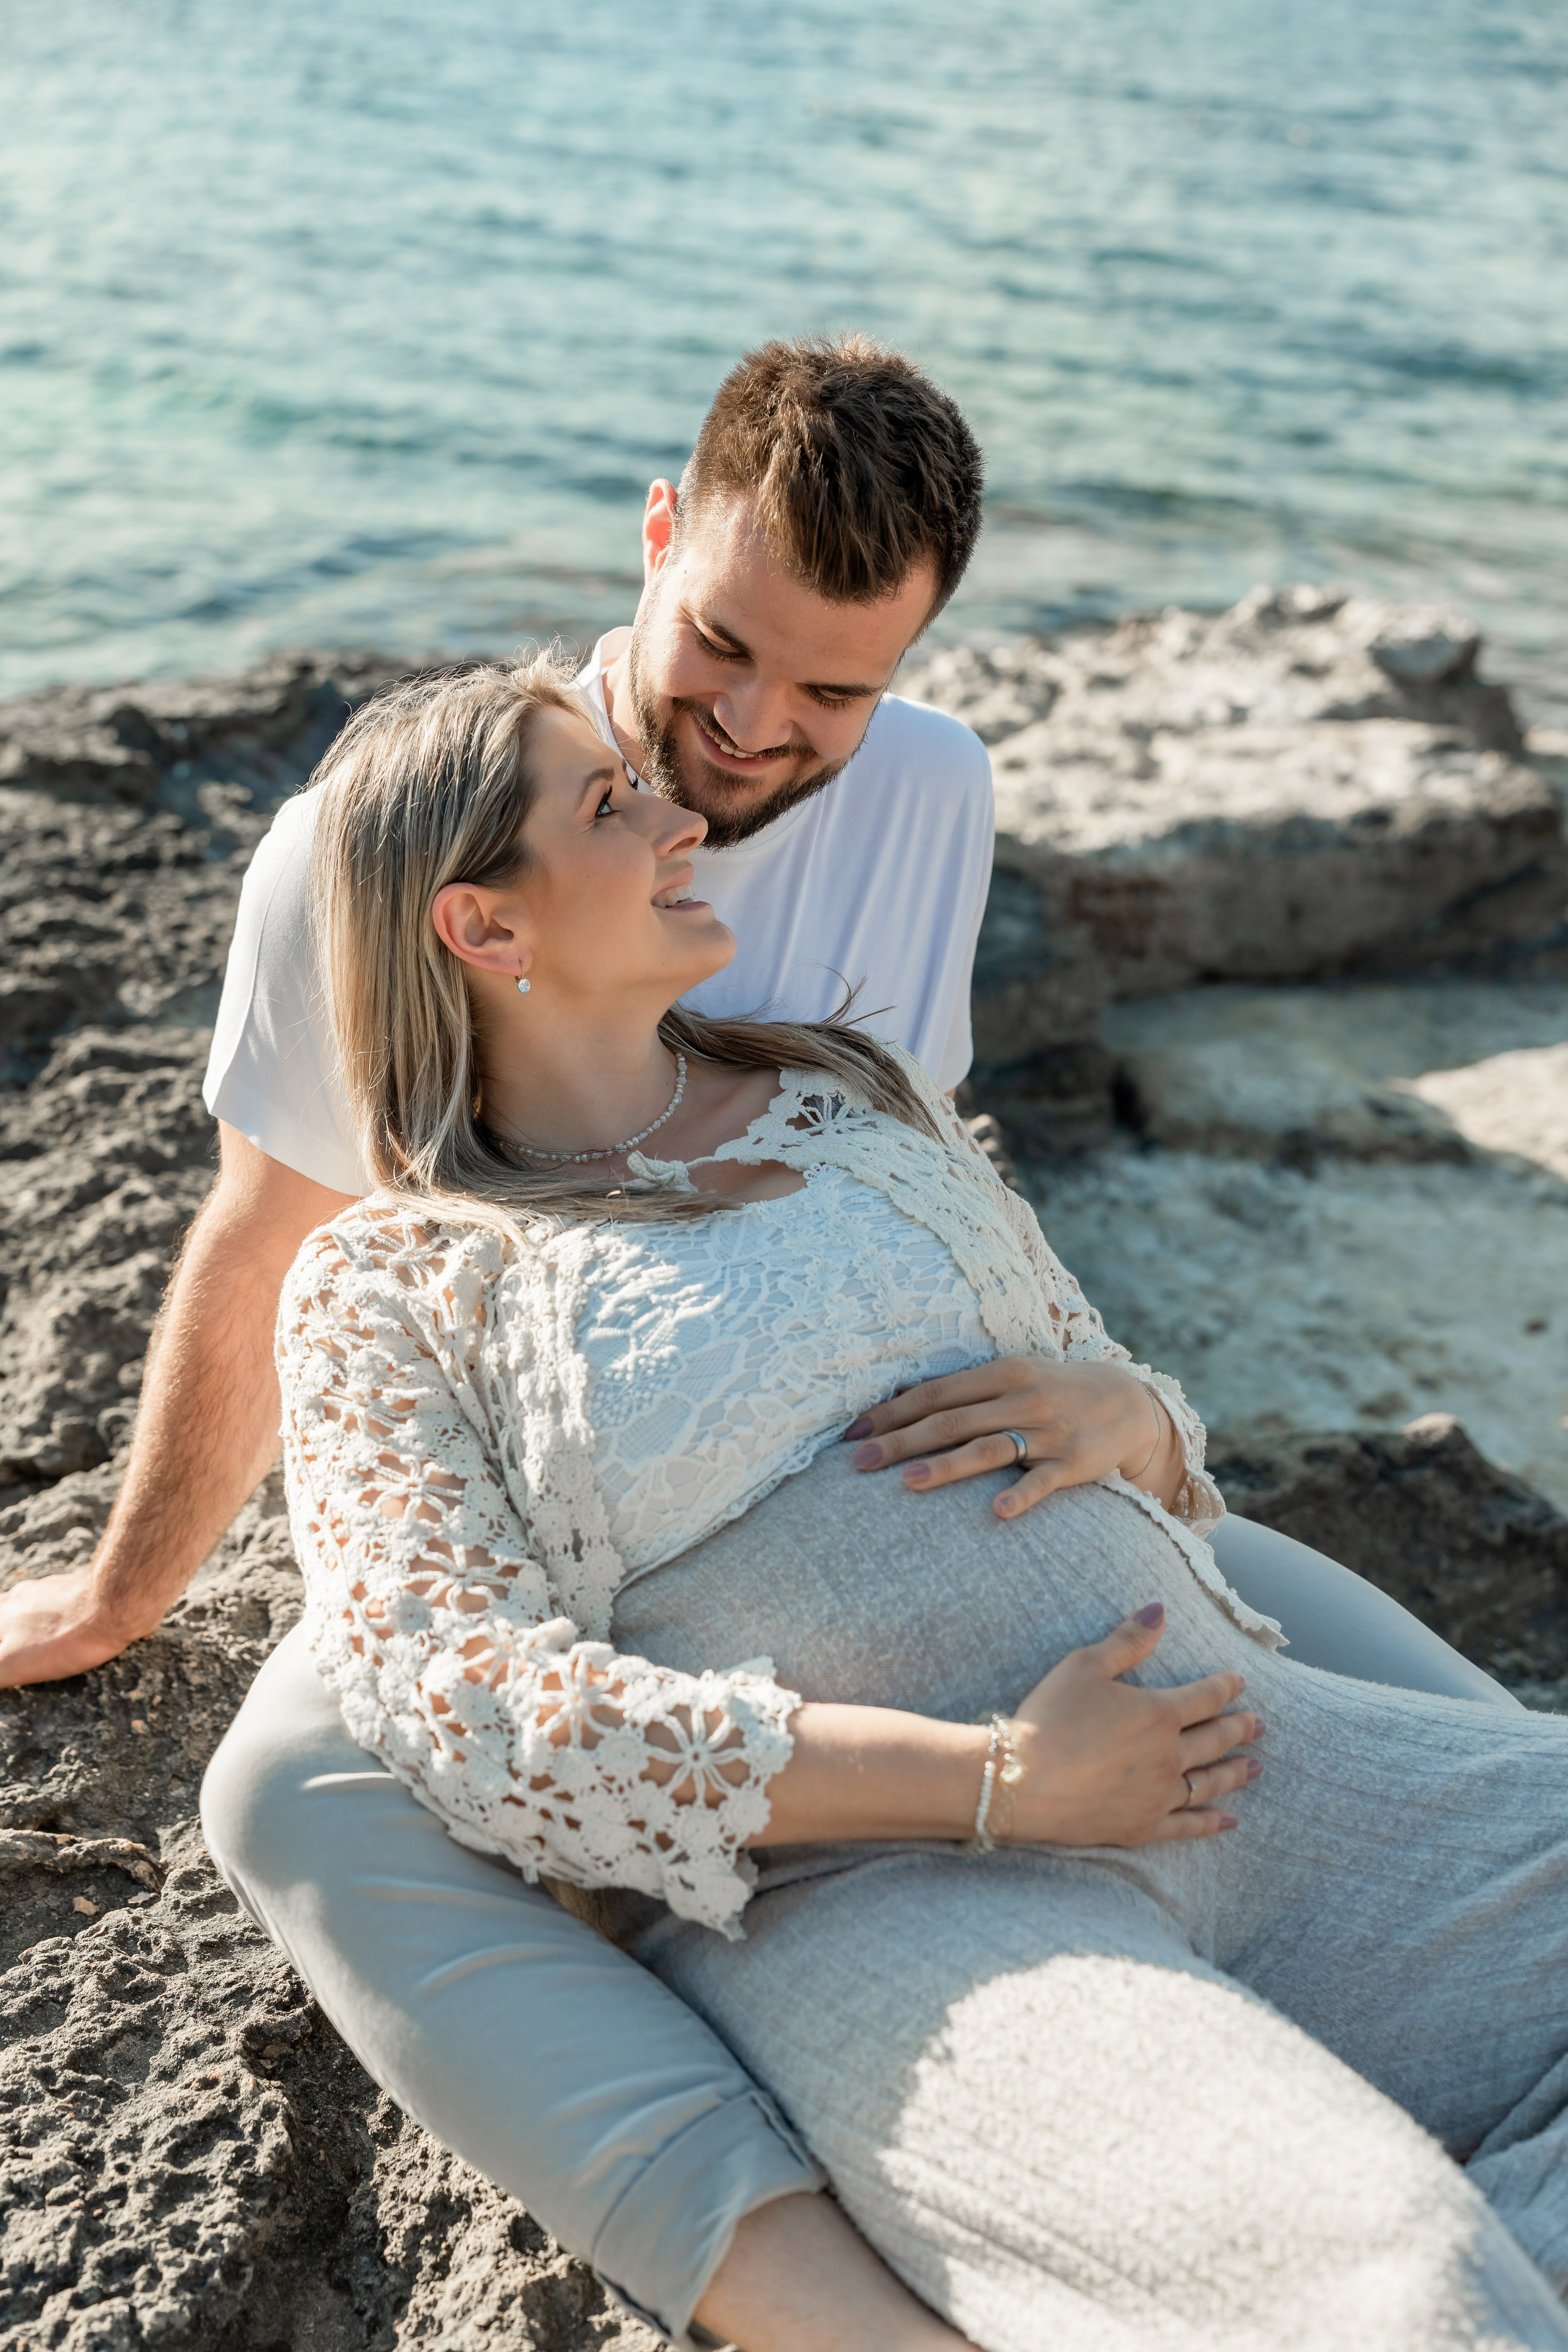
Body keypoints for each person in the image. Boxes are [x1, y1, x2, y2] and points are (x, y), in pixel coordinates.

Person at [0, 337, 1519, 2345]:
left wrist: (1133, 1418)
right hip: (600, 1499)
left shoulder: (909, 840)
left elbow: (951, 1188)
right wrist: (123, 1590)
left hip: (1023, 1533)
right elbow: (271, 1227)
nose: (747, 738)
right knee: (291, 1783)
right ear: (660, 533)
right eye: (721, 649)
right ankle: (800, 2284)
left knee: (1379, 1678)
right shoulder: (376, 881)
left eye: (832, 692)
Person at [225, 649, 1568, 2349]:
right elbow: (468, 1710)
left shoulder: (857, 1090)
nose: (679, 814)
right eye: (610, 802)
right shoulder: (391, 1281)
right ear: (485, 930)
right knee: (1406, 2292)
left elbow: (1133, 1409)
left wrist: (1133, 1415)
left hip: (1249, 1756)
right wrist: (1001, 1783)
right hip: (896, 1895)